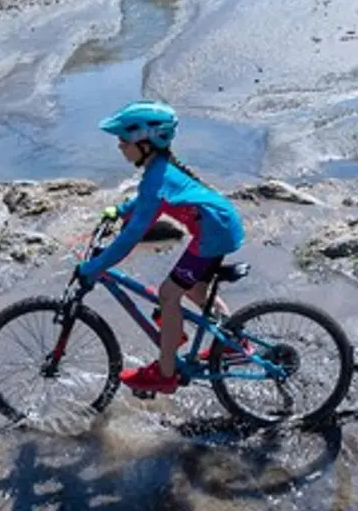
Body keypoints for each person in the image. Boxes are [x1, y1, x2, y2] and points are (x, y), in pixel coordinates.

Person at [75, 99, 246, 396]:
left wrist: (95, 267)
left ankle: (165, 373)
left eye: (123, 140)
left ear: (145, 143)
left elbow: (131, 238)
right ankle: (234, 344)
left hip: (212, 234)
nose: (119, 146)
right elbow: (145, 204)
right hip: (219, 228)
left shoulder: (158, 176)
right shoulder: (159, 171)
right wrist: (120, 210)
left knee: (169, 295)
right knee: (193, 290)